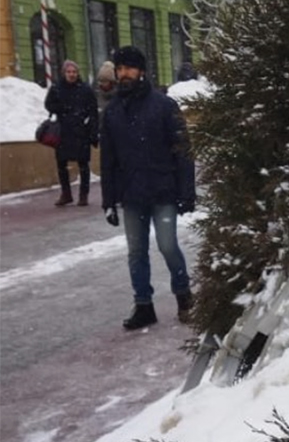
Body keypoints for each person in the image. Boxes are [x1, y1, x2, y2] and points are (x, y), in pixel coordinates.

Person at [100, 45, 195, 331]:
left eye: (128, 68)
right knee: (136, 252)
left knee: (167, 246)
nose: (123, 73)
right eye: (119, 69)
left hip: (162, 190)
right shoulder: (113, 111)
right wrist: (108, 200)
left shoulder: (164, 106)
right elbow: (108, 159)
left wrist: (187, 192)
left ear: (141, 71)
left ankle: (184, 296)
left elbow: (183, 151)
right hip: (131, 195)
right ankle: (144, 305)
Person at [44, 59, 98, 206]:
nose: (72, 75)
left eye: (74, 72)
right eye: (69, 72)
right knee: (62, 164)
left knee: (83, 164)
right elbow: (48, 104)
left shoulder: (85, 89)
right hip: (63, 131)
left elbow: (93, 110)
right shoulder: (57, 88)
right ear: (64, 73)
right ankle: (66, 194)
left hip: (81, 130)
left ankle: (83, 195)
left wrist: (93, 131)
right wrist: (61, 108)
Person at [95, 60, 116, 125]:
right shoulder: (96, 95)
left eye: (105, 81)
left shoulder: (120, 96)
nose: (101, 84)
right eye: (100, 81)